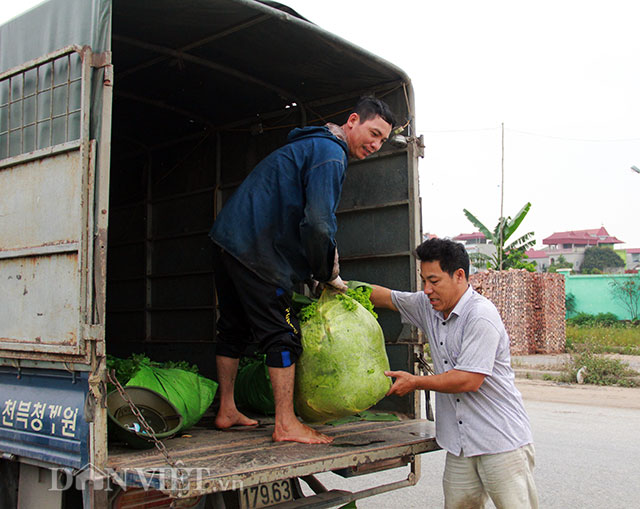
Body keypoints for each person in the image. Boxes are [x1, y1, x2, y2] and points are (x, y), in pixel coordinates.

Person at [209, 97, 395, 444]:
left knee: (233, 328)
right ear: (353, 121)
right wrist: (327, 273)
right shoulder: (331, 154)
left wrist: (311, 267)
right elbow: (319, 224)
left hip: (228, 240)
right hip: (257, 250)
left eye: (383, 140)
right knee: (282, 335)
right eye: (373, 133)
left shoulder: (310, 144)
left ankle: (227, 409)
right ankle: (285, 424)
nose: (376, 144)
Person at [370, 238, 539, 508]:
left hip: (500, 442)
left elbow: (468, 379)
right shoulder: (428, 306)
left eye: (434, 281)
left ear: (459, 275)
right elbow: (387, 297)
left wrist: (415, 382)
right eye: (424, 280)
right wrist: (337, 286)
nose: (427, 289)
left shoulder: (480, 316)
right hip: (460, 447)